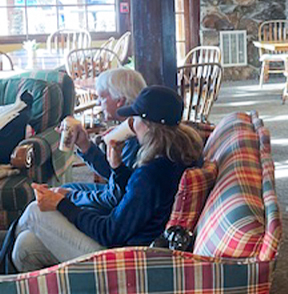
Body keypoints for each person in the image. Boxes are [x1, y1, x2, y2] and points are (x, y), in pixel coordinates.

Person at [11, 86, 202, 272]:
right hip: (130, 248)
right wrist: (117, 168)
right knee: (25, 246)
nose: (132, 125)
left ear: (146, 124)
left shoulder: (153, 174)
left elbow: (110, 233)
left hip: (124, 262)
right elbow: (138, 199)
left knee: (36, 211)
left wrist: (62, 204)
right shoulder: (176, 156)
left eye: (134, 118)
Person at [58, 68, 147, 214]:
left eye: (102, 97)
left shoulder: (135, 138)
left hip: (122, 207)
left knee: (57, 198)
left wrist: (69, 196)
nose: (98, 102)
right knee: (63, 189)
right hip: (118, 195)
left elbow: (118, 196)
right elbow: (115, 174)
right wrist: (84, 144)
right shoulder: (128, 127)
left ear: (120, 100)